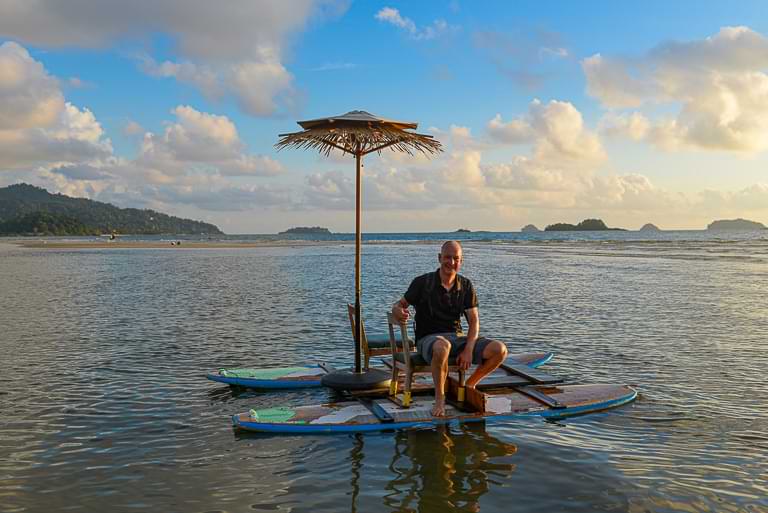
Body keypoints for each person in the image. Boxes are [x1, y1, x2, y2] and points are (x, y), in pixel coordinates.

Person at [391, 240, 508, 416]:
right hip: (428, 340)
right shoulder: (423, 282)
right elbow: (398, 305)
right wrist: (397, 310)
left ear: (461, 261)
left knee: (500, 350)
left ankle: (470, 384)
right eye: (447, 257)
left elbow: (474, 322)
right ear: (439, 258)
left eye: (456, 258)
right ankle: (440, 398)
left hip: (456, 338)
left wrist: (468, 349)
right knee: (442, 346)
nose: (451, 262)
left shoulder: (466, 286)